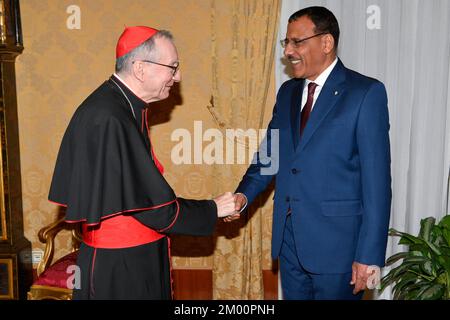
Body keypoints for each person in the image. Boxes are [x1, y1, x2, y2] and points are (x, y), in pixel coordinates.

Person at [48, 26, 236, 300]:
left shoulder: (120, 105)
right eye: (172, 67)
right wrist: (211, 209)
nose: (178, 76)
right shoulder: (109, 116)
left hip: (132, 257)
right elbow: (154, 209)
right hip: (121, 267)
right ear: (140, 69)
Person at [229, 7, 391, 300]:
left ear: (326, 43)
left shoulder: (365, 93)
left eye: (297, 42)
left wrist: (368, 256)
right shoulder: (288, 92)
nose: (289, 51)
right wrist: (243, 196)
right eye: (286, 43)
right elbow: (271, 154)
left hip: (339, 250)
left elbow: (377, 185)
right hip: (289, 243)